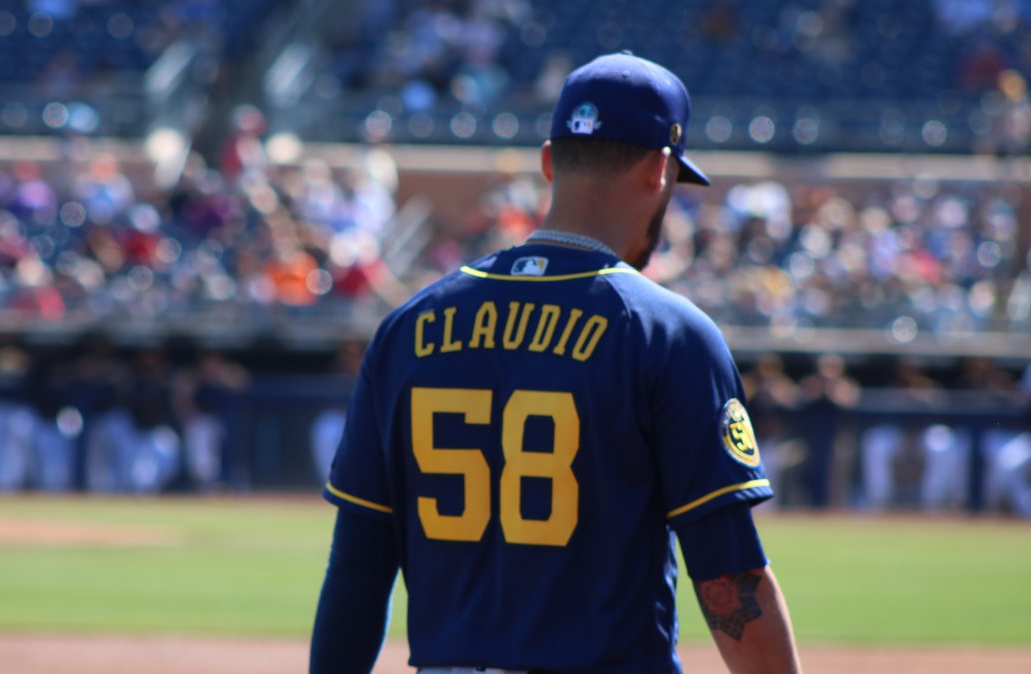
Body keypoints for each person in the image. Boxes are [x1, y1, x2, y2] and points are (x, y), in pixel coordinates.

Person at [311, 52, 802, 673]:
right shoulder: (667, 332)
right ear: (660, 170)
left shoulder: (408, 327)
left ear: (549, 163)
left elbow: (357, 567)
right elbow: (729, 574)